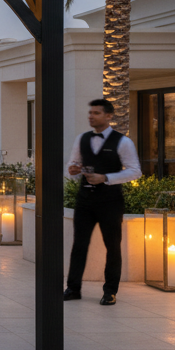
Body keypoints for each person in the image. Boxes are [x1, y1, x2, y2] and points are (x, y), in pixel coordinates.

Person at [64, 98, 141, 306]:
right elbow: (72, 164)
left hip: (110, 201)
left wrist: (106, 178)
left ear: (108, 116)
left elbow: (135, 171)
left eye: (96, 113)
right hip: (84, 200)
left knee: (112, 246)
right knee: (79, 244)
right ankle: (73, 288)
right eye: (90, 113)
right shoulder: (82, 138)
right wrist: (72, 170)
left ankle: (110, 291)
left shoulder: (123, 142)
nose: (91, 116)